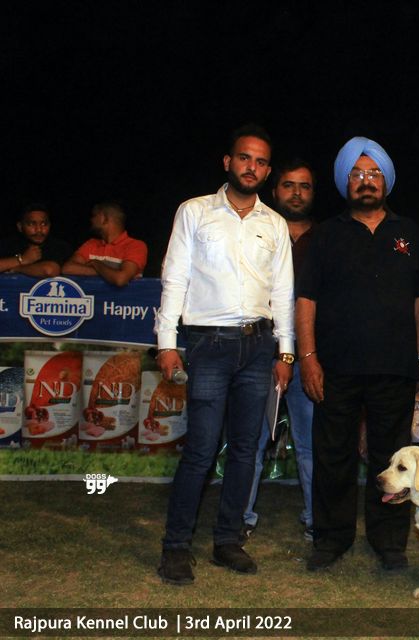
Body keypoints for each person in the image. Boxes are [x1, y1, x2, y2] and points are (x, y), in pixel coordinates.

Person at [154, 124, 295, 585]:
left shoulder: (274, 224)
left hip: (259, 346)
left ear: (267, 171)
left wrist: (286, 354)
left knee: (246, 450)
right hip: (208, 344)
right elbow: (174, 278)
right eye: (244, 158)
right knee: (201, 448)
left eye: (260, 161)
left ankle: (228, 540)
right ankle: (176, 547)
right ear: (228, 162)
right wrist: (166, 344)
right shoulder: (194, 212)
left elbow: (283, 293)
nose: (251, 167)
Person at [296, 137, 419, 572]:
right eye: (356, 174)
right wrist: (308, 358)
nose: (366, 181)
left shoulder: (409, 233)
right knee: (332, 455)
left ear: (386, 181)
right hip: (335, 367)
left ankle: (389, 542)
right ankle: (331, 538)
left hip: (395, 367)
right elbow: (306, 301)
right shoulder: (324, 235)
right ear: (345, 182)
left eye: (374, 173)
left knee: (391, 458)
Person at [242, 159, 318, 544]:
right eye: (289, 185)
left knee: (311, 445)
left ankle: (316, 519)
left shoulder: (326, 238)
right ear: (275, 190)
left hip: (310, 357)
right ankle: (240, 518)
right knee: (250, 444)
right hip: (257, 353)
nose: (296, 193)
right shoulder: (257, 231)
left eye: (304, 186)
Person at [61, 201, 148, 286]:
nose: (91, 220)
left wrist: (96, 263)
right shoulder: (91, 244)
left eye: (94, 215)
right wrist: (108, 273)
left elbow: (120, 279)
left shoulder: (135, 246)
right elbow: (67, 268)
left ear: (104, 219)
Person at [0, 205, 72, 277]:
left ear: (50, 225)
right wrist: (22, 259)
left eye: (44, 224)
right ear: (20, 227)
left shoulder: (60, 247)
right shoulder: (8, 245)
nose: (39, 230)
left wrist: (17, 269)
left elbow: (50, 270)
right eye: (32, 224)